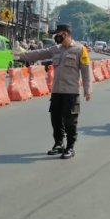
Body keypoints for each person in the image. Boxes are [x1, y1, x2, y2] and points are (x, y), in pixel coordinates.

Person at [15, 24, 92, 160]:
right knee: (56, 120)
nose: (56, 36)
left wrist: (87, 89)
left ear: (66, 34)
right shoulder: (55, 49)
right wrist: (19, 55)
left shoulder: (80, 49)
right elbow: (38, 54)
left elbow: (86, 70)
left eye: (58, 34)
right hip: (56, 91)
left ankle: (70, 147)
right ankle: (58, 144)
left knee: (70, 121)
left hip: (71, 92)